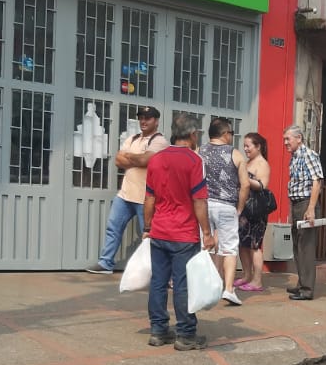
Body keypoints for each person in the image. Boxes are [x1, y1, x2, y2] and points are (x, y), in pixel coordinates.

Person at [143, 130, 216, 349]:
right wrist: (207, 233)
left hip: (159, 231)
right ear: (193, 135)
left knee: (158, 282)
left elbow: (149, 198)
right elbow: (199, 201)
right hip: (183, 234)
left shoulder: (156, 159)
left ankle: (158, 331)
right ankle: (185, 334)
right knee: (183, 284)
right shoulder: (194, 161)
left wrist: (148, 226)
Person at [85, 106, 165, 274]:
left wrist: (131, 157)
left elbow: (146, 160)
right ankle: (106, 263)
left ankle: (155, 271)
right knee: (113, 228)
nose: (143, 121)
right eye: (141, 117)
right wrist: (138, 159)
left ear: (156, 121)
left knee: (150, 236)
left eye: (148, 118)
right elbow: (118, 160)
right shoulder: (133, 138)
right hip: (125, 195)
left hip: (146, 198)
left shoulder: (159, 141)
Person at [197, 118, 249, 306]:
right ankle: (228, 289)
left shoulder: (199, 152)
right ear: (225, 133)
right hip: (227, 206)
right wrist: (240, 208)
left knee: (207, 245)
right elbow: (244, 185)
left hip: (204, 204)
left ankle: (209, 286)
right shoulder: (235, 154)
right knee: (229, 249)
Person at [283, 125, 322, 301]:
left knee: (306, 247)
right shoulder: (294, 157)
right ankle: (301, 283)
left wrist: (311, 208)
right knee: (298, 247)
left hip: (307, 204)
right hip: (297, 204)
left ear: (299, 138)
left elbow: (317, 182)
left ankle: (307, 289)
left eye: (288, 139)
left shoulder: (309, 155)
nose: (285, 143)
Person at [237, 131, 272, 293]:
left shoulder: (262, 164)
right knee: (243, 244)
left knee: (254, 245)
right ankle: (246, 275)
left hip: (256, 210)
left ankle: (257, 280)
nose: (245, 149)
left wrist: (245, 178)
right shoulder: (248, 161)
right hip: (244, 209)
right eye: (244, 146)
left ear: (258, 147)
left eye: (248, 146)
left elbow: (262, 185)